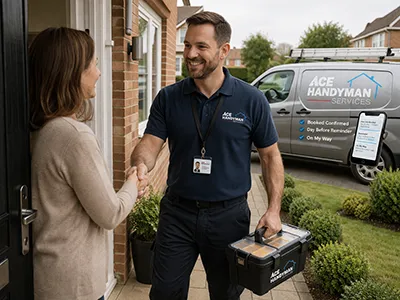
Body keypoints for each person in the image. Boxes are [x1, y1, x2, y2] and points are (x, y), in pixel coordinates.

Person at [130, 11, 284, 300]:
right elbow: (150, 144)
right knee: (164, 293)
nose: (190, 54)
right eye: (187, 45)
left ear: (224, 50)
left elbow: (270, 157)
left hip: (229, 216)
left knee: (226, 294)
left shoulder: (251, 100)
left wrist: (273, 209)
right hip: (177, 214)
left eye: (201, 46)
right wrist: (140, 164)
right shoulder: (169, 97)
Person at [29, 27, 139, 300]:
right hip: (73, 287)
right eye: (92, 64)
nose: (98, 72)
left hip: (50, 276)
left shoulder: (44, 129)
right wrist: (134, 182)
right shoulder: (73, 136)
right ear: (71, 72)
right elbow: (110, 213)